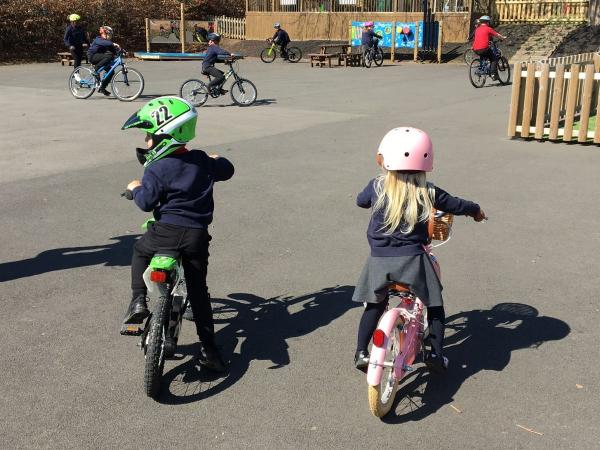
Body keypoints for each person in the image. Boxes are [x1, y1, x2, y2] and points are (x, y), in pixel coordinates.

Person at [352, 127, 486, 373]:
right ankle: (435, 354)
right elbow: (458, 204)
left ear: (384, 159)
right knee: (435, 306)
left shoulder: (377, 186)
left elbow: (360, 201)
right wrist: (476, 211)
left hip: (379, 262)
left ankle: (361, 351)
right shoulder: (429, 191)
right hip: (414, 263)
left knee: (374, 304)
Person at [121, 96, 234, 373]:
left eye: (149, 135)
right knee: (199, 292)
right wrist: (215, 159)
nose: (147, 141)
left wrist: (135, 188)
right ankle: (210, 351)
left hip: (165, 233)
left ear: (165, 135)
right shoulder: (202, 161)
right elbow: (228, 170)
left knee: (139, 251)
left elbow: (146, 202)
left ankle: (138, 300)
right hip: (196, 236)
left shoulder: (157, 168)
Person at [87, 26, 120, 96]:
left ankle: (102, 88)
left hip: (100, 58)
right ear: (105, 34)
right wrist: (113, 44)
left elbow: (113, 51)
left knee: (111, 71)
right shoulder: (98, 39)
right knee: (109, 56)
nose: (110, 36)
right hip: (92, 56)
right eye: (110, 34)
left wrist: (121, 51)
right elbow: (106, 43)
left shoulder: (108, 42)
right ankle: (95, 70)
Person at [472, 15, 507, 80]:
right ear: (487, 22)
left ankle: (481, 68)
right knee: (494, 58)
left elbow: (485, 35)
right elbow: (497, 34)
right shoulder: (488, 28)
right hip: (484, 48)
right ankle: (493, 74)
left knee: (483, 56)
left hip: (475, 49)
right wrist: (503, 38)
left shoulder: (477, 29)